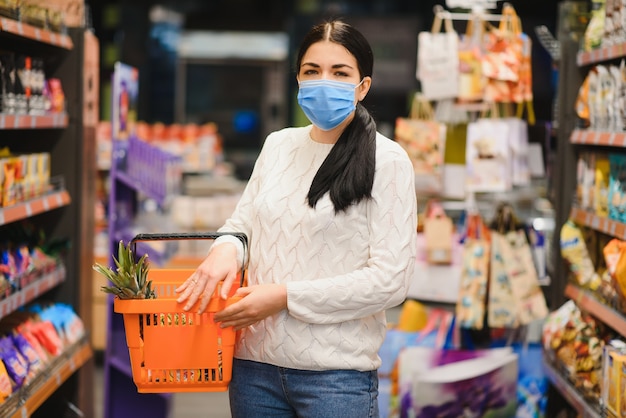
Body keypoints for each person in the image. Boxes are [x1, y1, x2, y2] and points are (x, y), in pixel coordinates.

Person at [175, 19, 417, 418]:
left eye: (340, 73)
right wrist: (226, 249)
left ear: (363, 86)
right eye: (311, 71)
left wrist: (284, 297)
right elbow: (242, 225)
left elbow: (390, 282)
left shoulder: (388, 160)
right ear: (298, 80)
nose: (324, 82)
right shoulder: (277, 146)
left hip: (337, 379)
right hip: (254, 369)